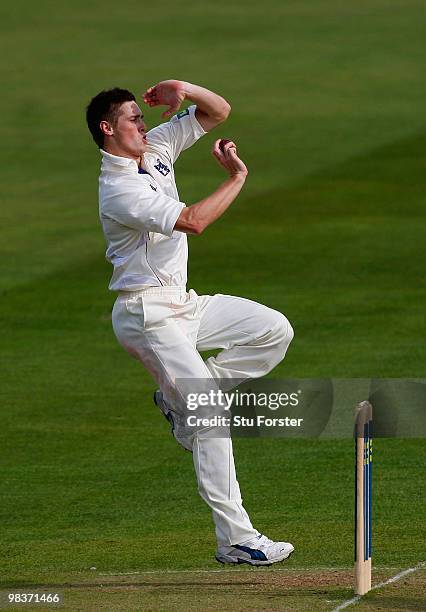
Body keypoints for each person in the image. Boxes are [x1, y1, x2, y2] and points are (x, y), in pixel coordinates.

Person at [86, 79, 295, 565]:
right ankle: (237, 540)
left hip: (182, 303)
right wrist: (236, 179)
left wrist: (182, 86)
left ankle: (178, 402)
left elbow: (218, 111)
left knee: (273, 330)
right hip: (147, 315)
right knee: (211, 419)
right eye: (132, 118)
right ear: (107, 129)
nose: (143, 123)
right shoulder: (119, 189)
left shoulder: (155, 147)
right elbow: (194, 221)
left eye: (142, 116)